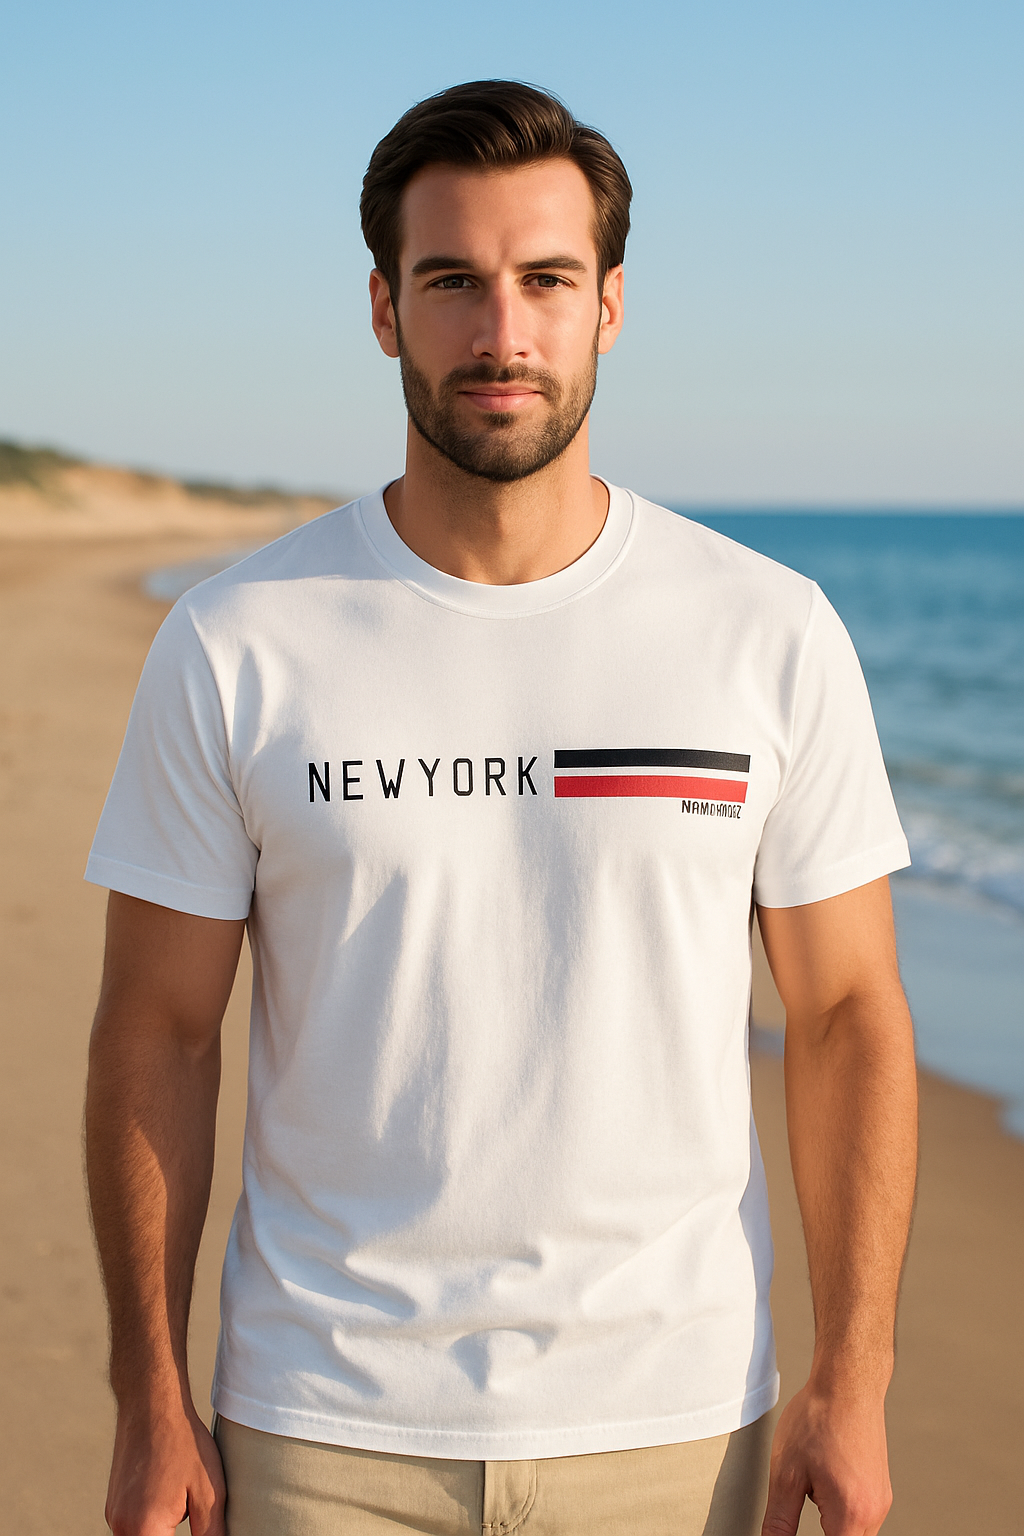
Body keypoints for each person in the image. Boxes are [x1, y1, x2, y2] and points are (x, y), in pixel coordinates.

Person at [85, 80, 918, 1536]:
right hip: (320, 1421)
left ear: (610, 306)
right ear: (383, 308)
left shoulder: (767, 633)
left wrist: (857, 1375)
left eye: (545, 279)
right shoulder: (239, 642)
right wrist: (150, 1401)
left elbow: (848, 1012)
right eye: (452, 281)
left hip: (674, 1418)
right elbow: (158, 1028)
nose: (501, 331)